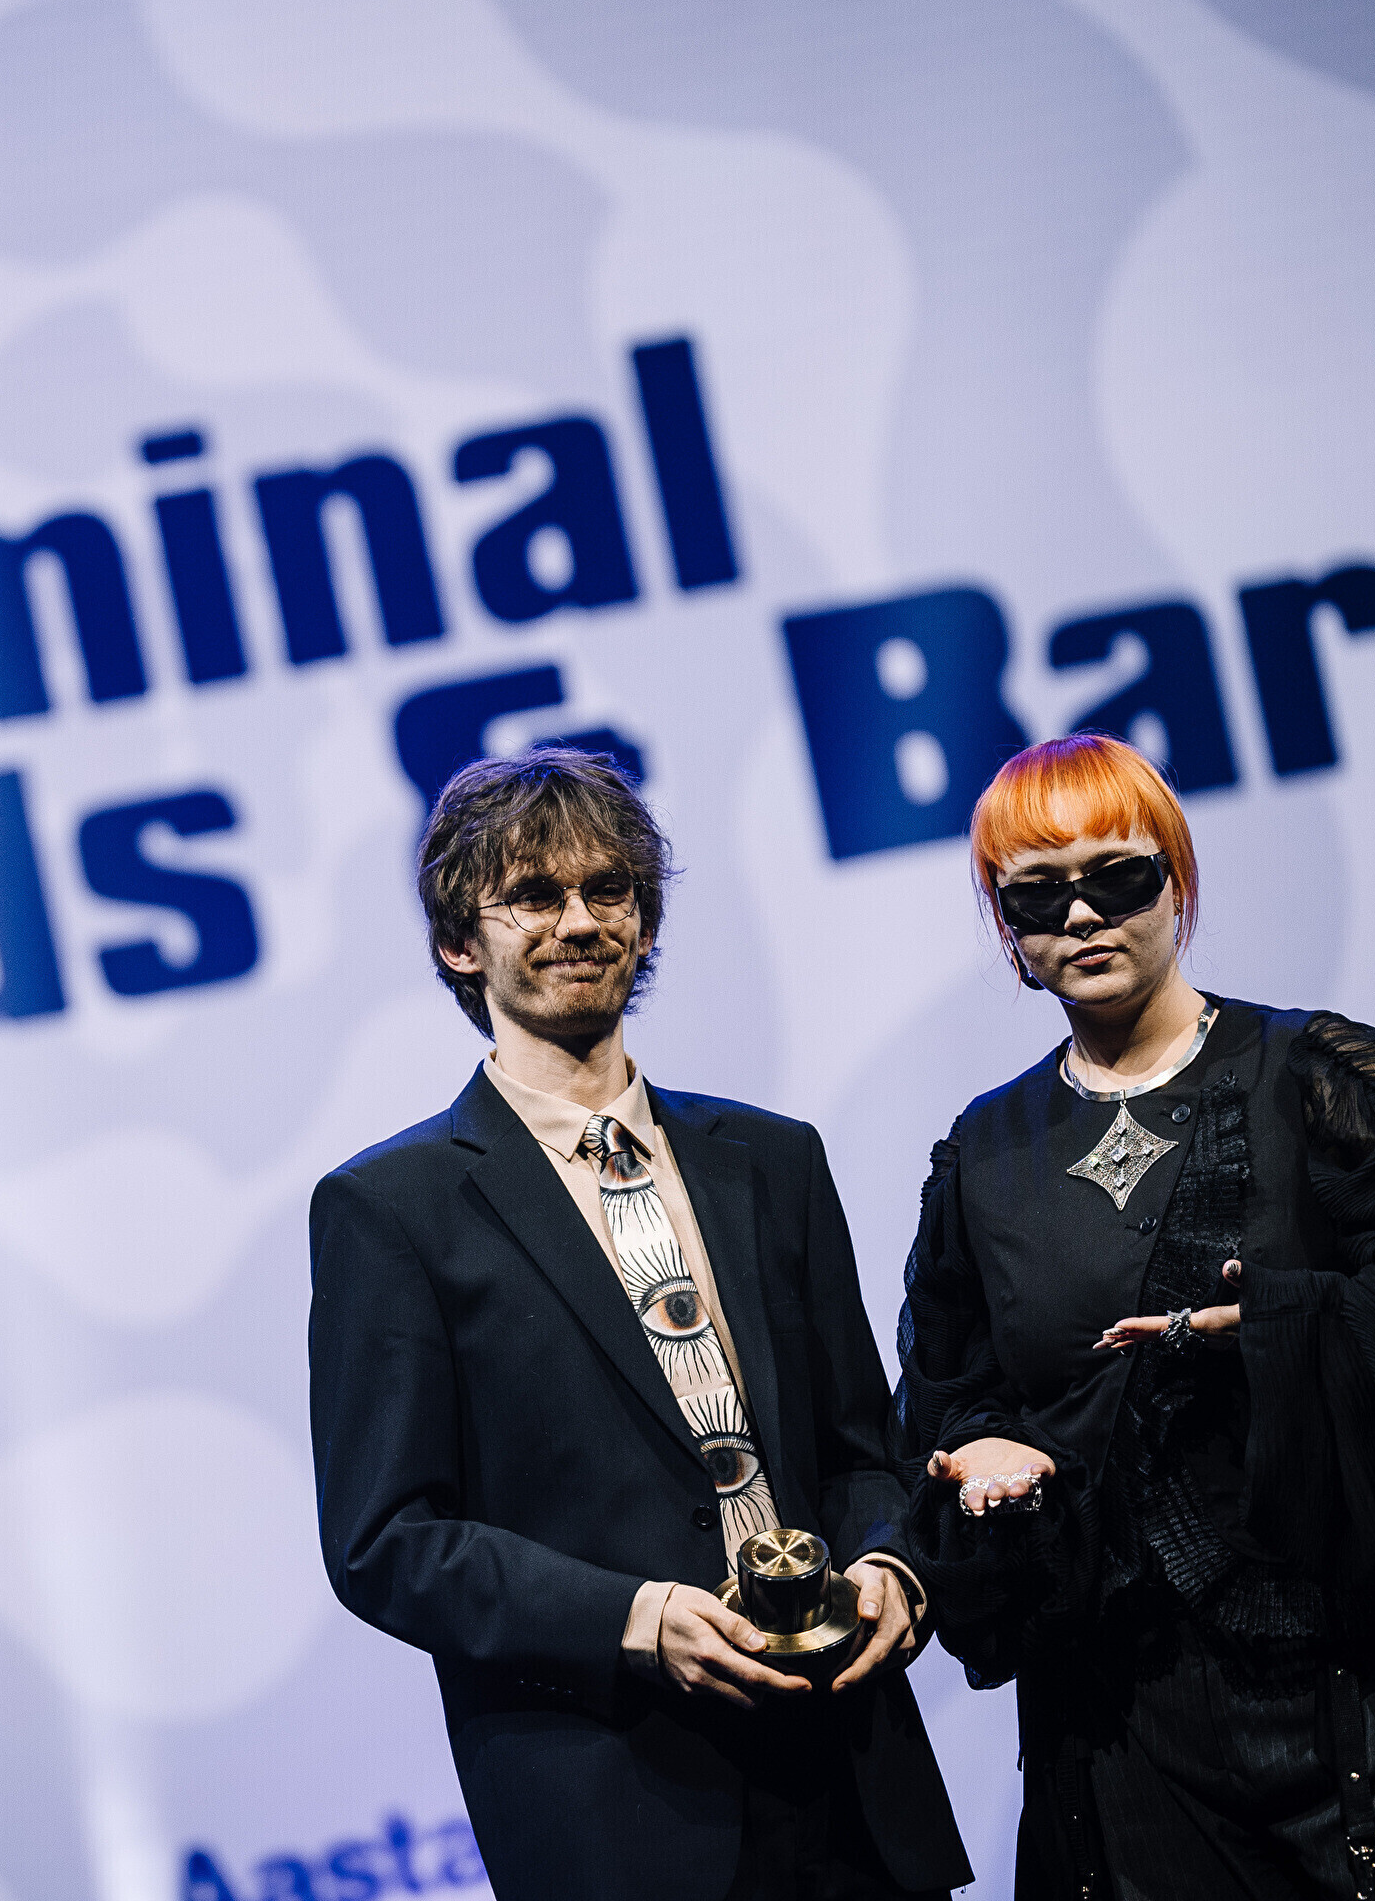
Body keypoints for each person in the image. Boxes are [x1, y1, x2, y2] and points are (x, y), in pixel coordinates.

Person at [894, 732, 1375, 1899]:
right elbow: (946, 1390)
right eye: (1037, 895)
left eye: (1118, 876)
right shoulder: (983, 1154)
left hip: (1362, 1682)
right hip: (1130, 1734)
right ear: (1005, 926)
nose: (1080, 914)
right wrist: (983, 1448)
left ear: (1177, 880)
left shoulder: (1311, 1074)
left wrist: (1282, 1324)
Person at [309, 748, 969, 1900]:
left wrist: (891, 1565)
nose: (579, 920)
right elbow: (389, 1541)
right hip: (619, 1809)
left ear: (646, 921)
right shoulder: (393, 1207)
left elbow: (862, 1449)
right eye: (533, 894)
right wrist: (635, 1616)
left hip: (852, 1776)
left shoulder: (772, 1156)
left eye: (607, 888)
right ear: (460, 941)